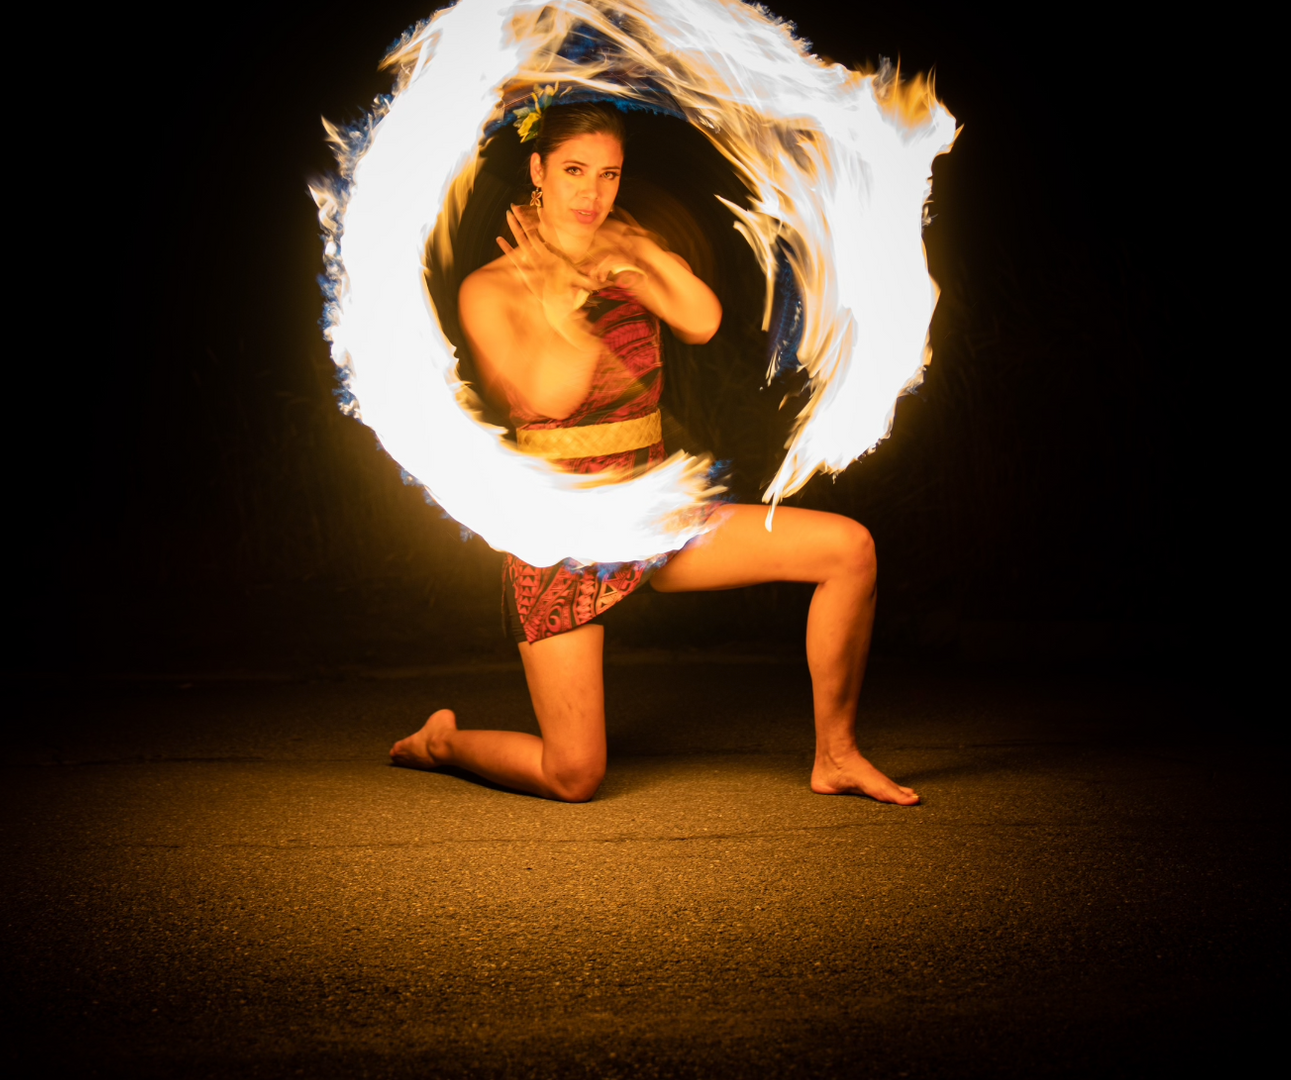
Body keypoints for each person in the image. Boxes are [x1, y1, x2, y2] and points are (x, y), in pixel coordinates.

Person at [390, 96, 917, 806]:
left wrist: (636, 255)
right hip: (563, 542)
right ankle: (441, 742)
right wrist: (560, 299)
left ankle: (838, 754)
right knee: (573, 775)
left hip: (653, 516)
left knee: (849, 549)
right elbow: (554, 393)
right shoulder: (491, 290)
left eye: (609, 174)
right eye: (575, 170)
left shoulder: (622, 249)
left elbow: (702, 320)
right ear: (539, 170)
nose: (593, 192)